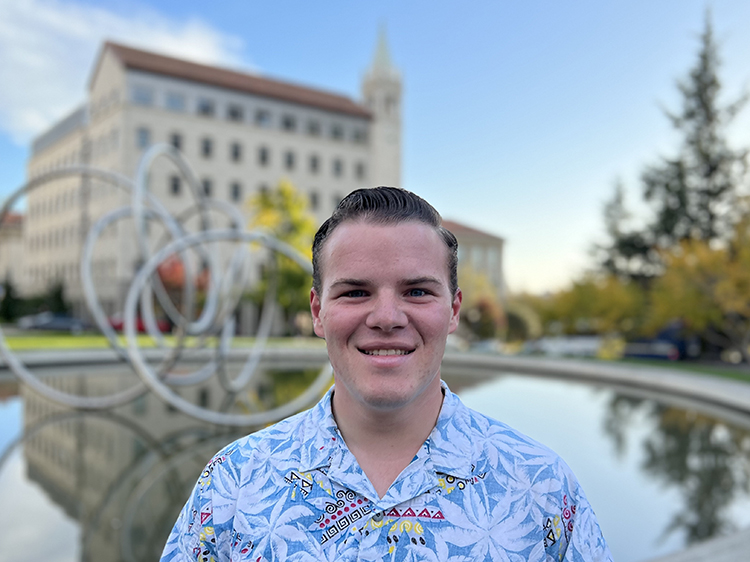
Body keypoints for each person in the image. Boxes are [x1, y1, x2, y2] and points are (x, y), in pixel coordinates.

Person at [160, 187, 613, 561]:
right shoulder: (233, 483)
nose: (387, 317)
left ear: (452, 311)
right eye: (356, 292)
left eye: (416, 291)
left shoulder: (543, 489)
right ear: (318, 312)